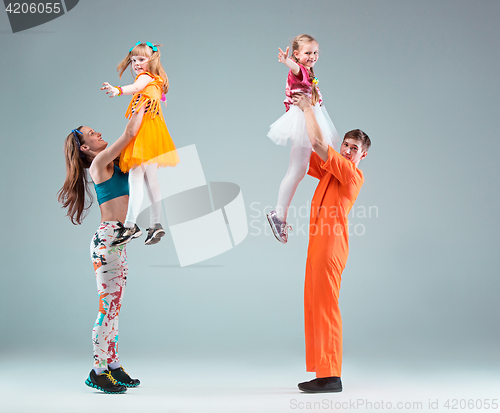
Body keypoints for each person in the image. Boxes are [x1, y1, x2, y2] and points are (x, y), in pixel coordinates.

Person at [58, 120, 143, 394]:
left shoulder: (114, 162)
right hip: (108, 241)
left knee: (115, 308)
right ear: (85, 147)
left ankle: (114, 365)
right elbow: (130, 132)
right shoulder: (98, 164)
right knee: (107, 308)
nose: (99, 134)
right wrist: (143, 98)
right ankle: (98, 371)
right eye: (92, 134)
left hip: (119, 240)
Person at [293, 94, 371, 393]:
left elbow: (316, 144)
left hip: (331, 246)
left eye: (355, 149)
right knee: (314, 305)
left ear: (363, 155)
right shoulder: (331, 170)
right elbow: (306, 149)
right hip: (318, 245)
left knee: (326, 306)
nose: (349, 151)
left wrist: (308, 109)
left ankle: (333, 375)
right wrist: (299, 112)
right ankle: (323, 371)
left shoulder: (350, 173)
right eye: (346, 146)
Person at [101, 41, 179, 246]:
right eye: (133, 60)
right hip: (155, 135)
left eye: (141, 59)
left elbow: (135, 87)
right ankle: (156, 224)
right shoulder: (156, 80)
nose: (136, 64)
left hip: (143, 135)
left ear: (151, 60)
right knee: (151, 181)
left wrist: (117, 90)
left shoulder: (144, 78)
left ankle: (130, 225)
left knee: (135, 178)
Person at [266, 34, 341, 244]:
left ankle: (283, 215)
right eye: (308, 53)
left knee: (325, 160)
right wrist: (286, 61)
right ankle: (279, 216)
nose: (313, 56)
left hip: (311, 114)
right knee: (298, 169)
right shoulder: (299, 69)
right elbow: (295, 68)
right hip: (303, 117)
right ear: (297, 54)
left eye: (315, 52)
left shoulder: (309, 70)